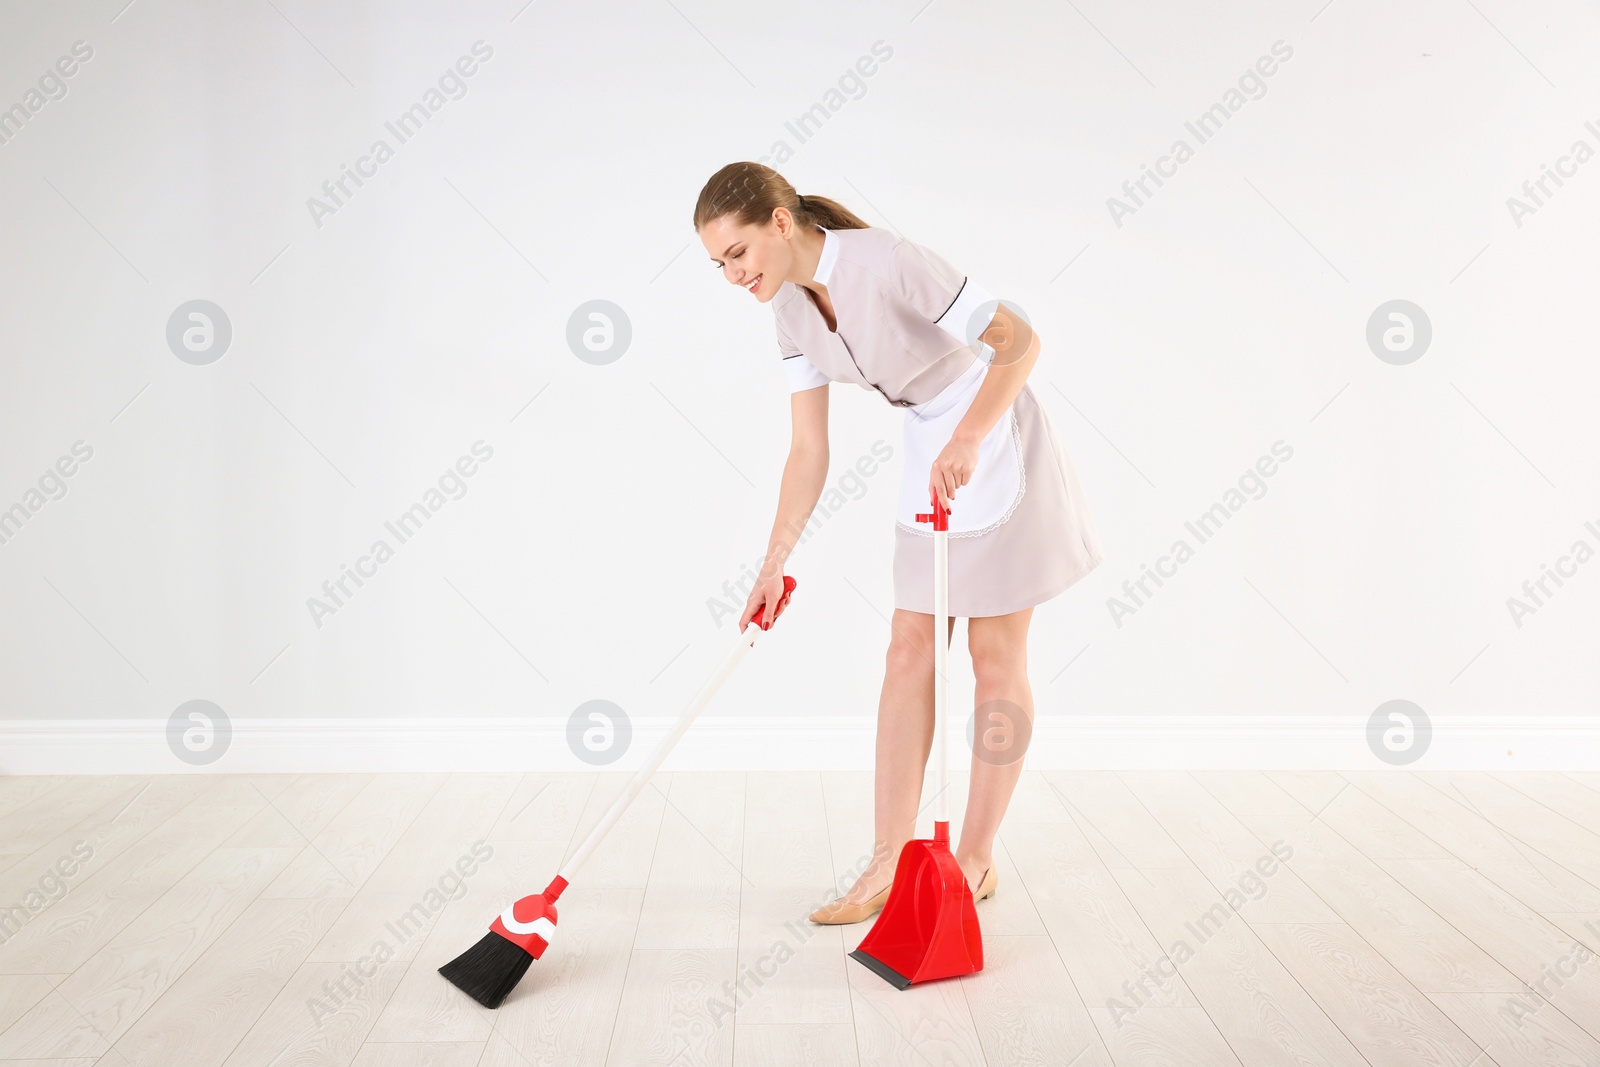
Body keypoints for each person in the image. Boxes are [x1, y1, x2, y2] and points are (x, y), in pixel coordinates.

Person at [694, 162, 1104, 923]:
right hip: (928, 448)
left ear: (780, 224)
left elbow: (1019, 339)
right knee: (907, 650)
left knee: (994, 655)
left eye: (738, 253)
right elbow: (808, 450)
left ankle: (974, 858)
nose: (732, 274)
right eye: (718, 263)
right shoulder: (786, 311)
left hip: (993, 432)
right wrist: (775, 559)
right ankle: (887, 861)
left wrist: (972, 436)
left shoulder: (885, 259)